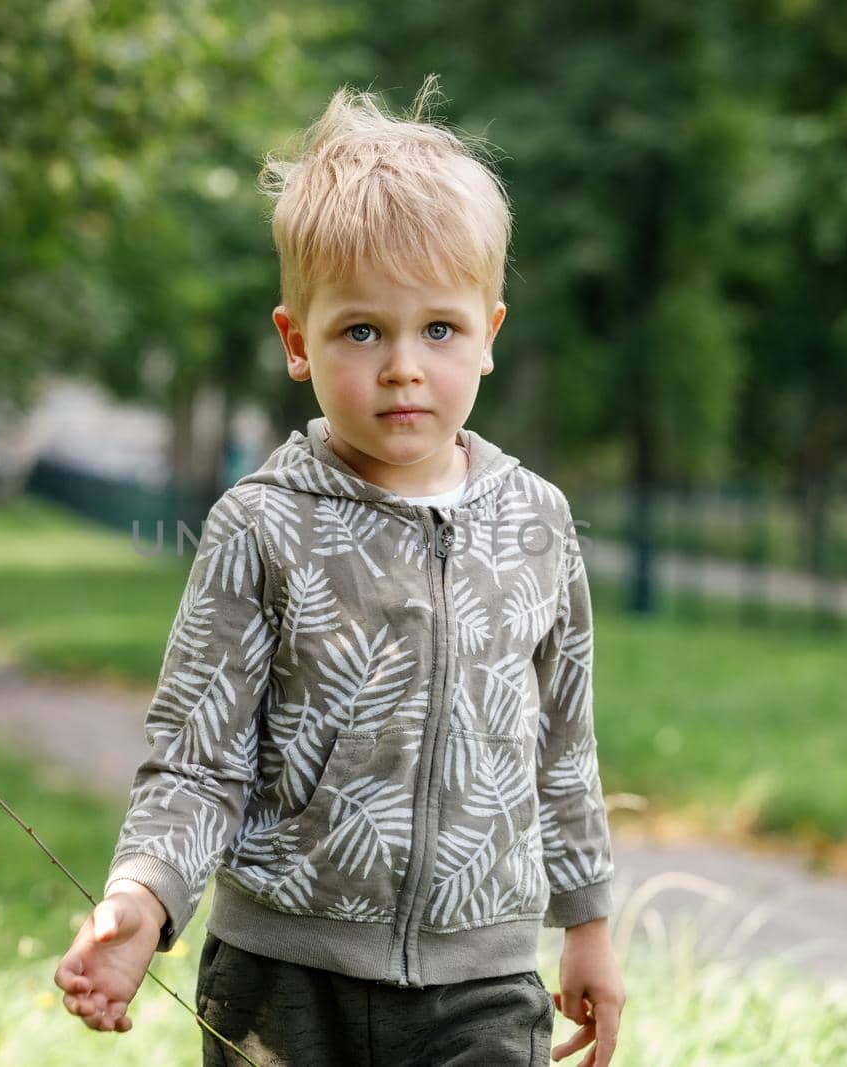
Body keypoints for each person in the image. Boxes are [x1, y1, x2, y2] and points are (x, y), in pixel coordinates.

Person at [55, 75, 624, 1067]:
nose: (403, 364)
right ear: (295, 340)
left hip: (481, 982)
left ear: (488, 334)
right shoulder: (260, 525)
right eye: (362, 329)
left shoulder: (537, 521)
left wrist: (587, 920)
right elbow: (197, 755)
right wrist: (141, 893)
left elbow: (562, 745)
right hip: (281, 975)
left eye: (437, 328)